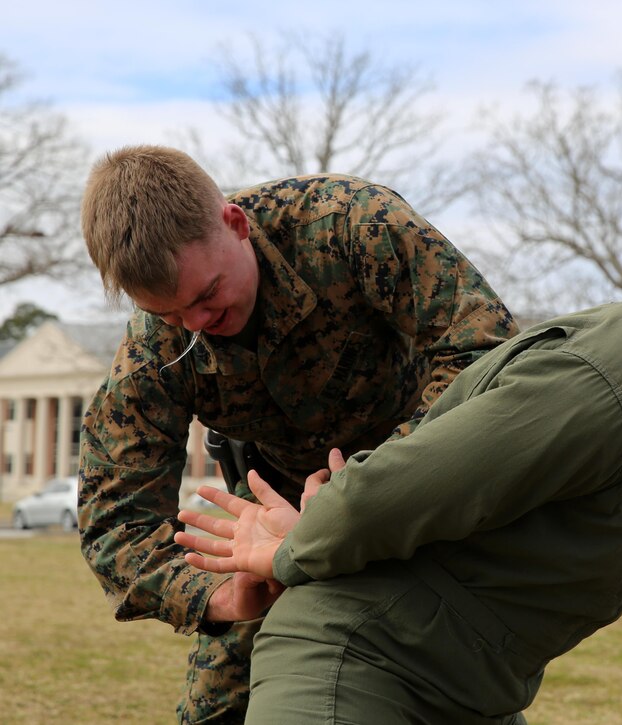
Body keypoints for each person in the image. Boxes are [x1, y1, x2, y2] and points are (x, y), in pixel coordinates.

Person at [176, 167, 622, 723]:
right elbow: (415, 479)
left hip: (466, 691)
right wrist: (288, 550)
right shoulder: (619, 380)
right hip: (363, 670)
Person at [77, 145, 518, 724]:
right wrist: (216, 595)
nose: (196, 327)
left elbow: (485, 351)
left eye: (207, 295)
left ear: (235, 225)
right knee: (218, 710)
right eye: (170, 314)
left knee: (455, 690)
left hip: (421, 493)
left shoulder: (352, 225)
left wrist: (365, 490)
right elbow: (113, 518)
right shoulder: (155, 351)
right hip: (277, 538)